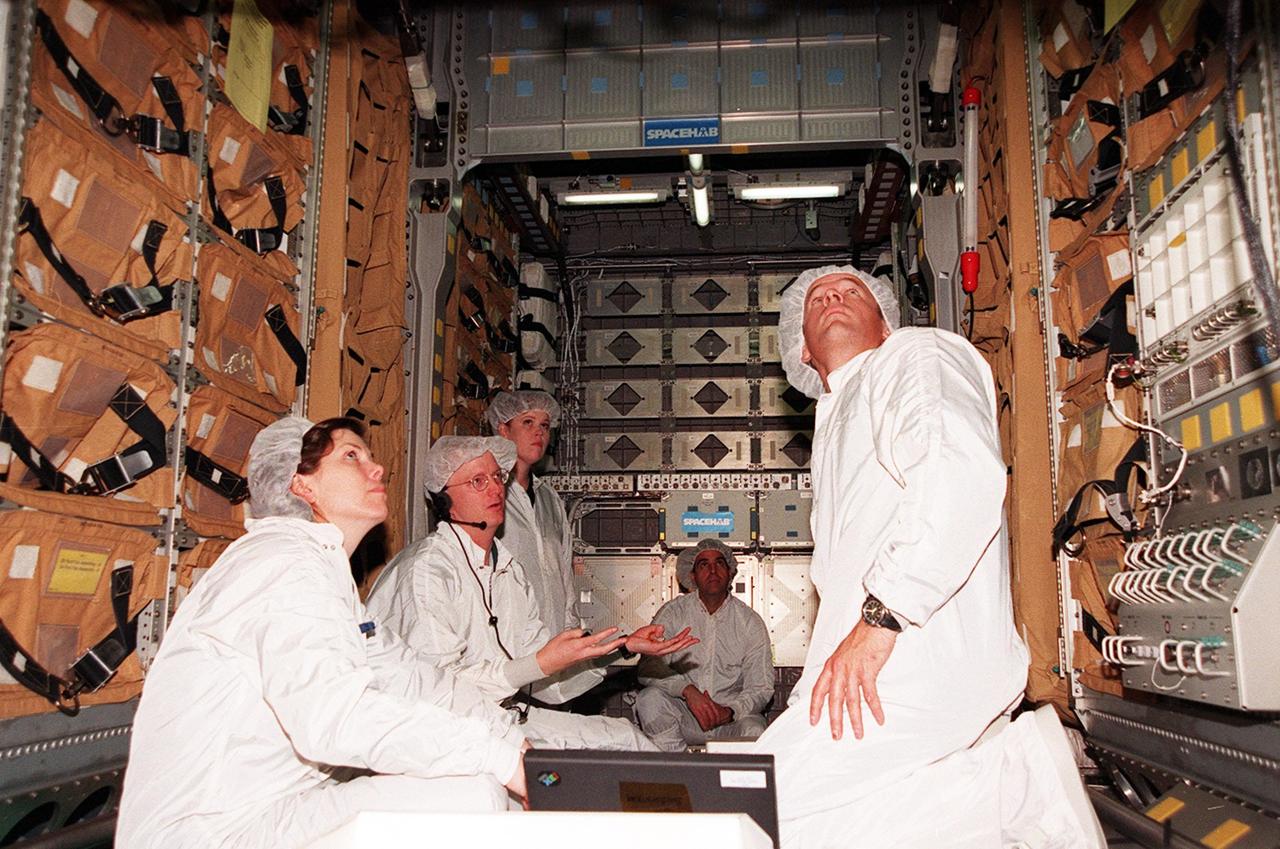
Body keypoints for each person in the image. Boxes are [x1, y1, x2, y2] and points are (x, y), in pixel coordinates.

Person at [753, 266, 1106, 847]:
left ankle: (1013, 785)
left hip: (916, 648)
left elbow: (957, 473)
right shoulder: (837, 420)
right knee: (862, 824)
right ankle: (1007, 791)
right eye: (819, 300)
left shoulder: (913, 355)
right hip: (884, 660)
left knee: (759, 809)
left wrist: (883, 617)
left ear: (886, 322)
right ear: (802, 349)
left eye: (851, 293)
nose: (835, 298)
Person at [117, 418, 529, 849]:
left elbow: (416, 680)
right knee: (474, 796)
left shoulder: (321, 572)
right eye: (351, 456)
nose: (378, 469)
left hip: (274, 811)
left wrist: (515, 744)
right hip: (210, 832)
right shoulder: (281, 565)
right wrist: (499, 760)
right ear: (300, 484)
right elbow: (336, 717)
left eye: (369, 456)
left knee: (476, 789)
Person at [366, 436, 698, 750]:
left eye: (497, 476)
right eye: (477, 481)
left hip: (497, 717)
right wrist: (538, 664)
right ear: (443, 497)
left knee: (628, 739)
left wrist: (622, 647)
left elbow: (549, 676)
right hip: (437, 731)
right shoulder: (426, 572)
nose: (496, 488)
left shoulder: (506, 569)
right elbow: (439, 691)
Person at [635, 539, 774, 751]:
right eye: (703, 565)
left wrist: (730, 711)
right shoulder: (673, 613)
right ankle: (678, 771)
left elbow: (761, 687)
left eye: (719, 563)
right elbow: (648, 668)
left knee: (755, 729)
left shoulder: (749, 622)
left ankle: (731, 782)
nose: (712, 570)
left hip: (730, 720)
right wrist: (687, 690)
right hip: (684, 715)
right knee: (648, 700)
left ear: (730, 573)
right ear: (692, 576)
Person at [485, 390, 577, 634]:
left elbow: (564, 573)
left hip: (552, 636)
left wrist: (569, 629)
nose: (540, 432)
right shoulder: (488, 492)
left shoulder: (550, 499)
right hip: (504, 635)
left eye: (545, 425)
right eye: (528, 422)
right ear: (503, 429)